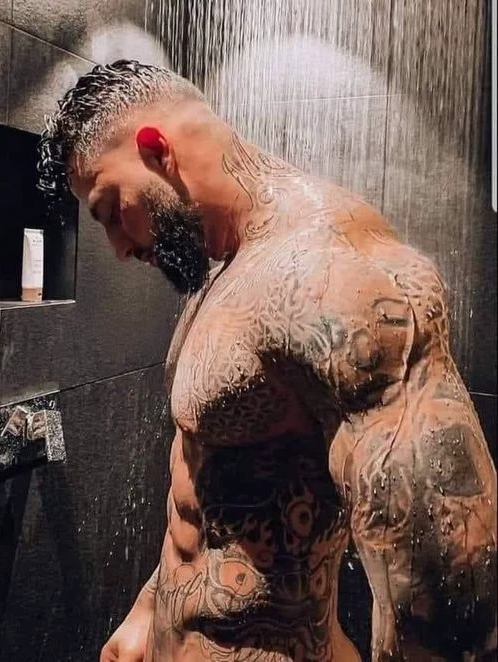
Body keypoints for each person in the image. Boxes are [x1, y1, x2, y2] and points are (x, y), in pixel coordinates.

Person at [37, 60, 497, 662]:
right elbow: (209, 483)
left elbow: (452, 592)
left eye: (111, 211)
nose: (119, 248)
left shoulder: (337, 278)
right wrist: (150, 607)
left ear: (156, 149)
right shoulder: (221, 269)